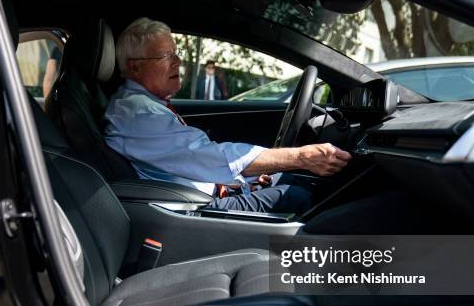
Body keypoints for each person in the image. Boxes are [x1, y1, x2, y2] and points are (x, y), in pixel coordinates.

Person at [103, 17, 351, 214]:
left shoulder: (143, 104)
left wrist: (240, 180)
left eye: (176, 53)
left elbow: (194, 160)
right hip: (193, 209)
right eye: (165, 56)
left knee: (285, 178)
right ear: (135, 66)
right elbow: (209, 158)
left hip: (204, 192)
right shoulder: (139, 114)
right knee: (298, 196)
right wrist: (301, 157)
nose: (178, 62)